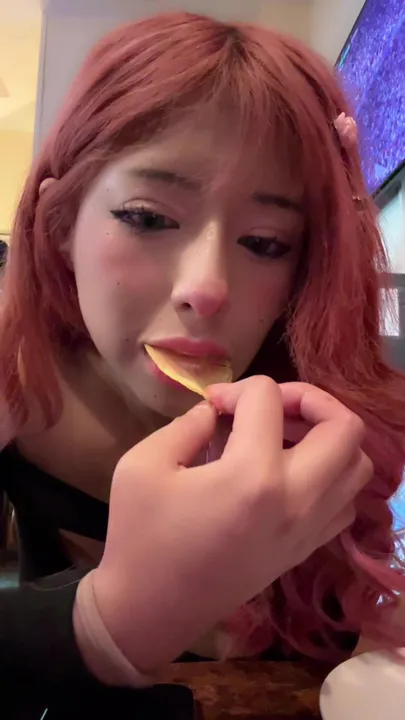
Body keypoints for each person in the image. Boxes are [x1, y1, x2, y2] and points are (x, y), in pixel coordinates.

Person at [0, 9, 404, 705]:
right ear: (59, 222)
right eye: (148, 218)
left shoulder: (322, 404)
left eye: (265, 243)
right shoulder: (18, 388)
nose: (207, 288)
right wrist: (103, 625)